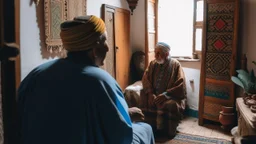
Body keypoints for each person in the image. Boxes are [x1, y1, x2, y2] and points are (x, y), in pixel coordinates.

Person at [17, 15, 154, 144]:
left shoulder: (36, 74)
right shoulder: (100, 80)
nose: (107, 47)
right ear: (94, 49)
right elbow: (120, 135)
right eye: (105, 41)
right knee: (145, 129)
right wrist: (127, 117)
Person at [142, 42, 187, 138]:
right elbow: (145, 78)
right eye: (155, 52)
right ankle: (150, 128)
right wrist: (150, 93)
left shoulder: (176, 65)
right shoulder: (153, 64)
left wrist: (165, 95)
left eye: (158, 53)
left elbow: (181, 85)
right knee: (143, 97)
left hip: (170, 96)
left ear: (166, 54)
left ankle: (167, 131)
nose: (155, 55)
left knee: (171, 105)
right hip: (154, 94)